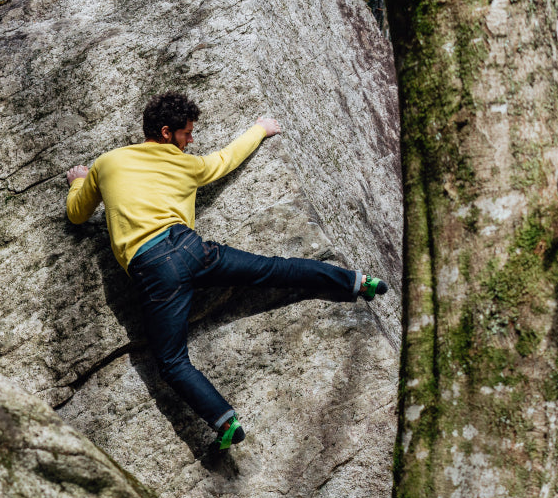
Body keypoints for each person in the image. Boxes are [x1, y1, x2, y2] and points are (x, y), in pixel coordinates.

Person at [65, 91, 387, 450]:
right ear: (168, 132)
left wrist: (79, 179)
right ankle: (357, 282)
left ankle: (225, 422)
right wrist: (259, 129)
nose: (192, 140)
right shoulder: (188, 166)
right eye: (188, 133)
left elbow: (77, 214)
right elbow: (227, 159)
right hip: (191, 249)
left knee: (172, 361)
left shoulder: (106, 164)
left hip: (153, 269)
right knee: (274, 269)